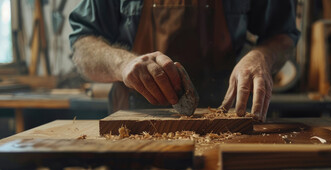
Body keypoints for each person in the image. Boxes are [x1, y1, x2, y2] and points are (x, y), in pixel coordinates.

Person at [69, 0, 300, 121]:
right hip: (132, 125)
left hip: (228, 122)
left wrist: (262, 56)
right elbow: (82, 46)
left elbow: (283, 35)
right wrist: (122, 64)